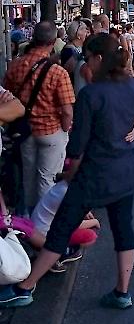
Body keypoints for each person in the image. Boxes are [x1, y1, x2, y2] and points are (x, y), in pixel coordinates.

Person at [0, 33, 134, 309]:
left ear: (99, 59)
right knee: (123, 228)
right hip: (128, 172)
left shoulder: (90, 94)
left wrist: (68, 174)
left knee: (60, 229)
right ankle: (122, 292)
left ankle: (25, 287)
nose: (86, 63)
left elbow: (77, 147)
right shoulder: (132, 86)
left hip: (93, 176)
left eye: (89, 58)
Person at [3, 20, 75, 211]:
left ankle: (28, 220)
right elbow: (67, 110)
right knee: (48, 179)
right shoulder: (58, 71)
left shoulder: (16, 65)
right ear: (53, 41)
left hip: (25, 130)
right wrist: (65, 128)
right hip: (51, 131)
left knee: (29, 177)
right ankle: (44, 224)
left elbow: (7, 99)